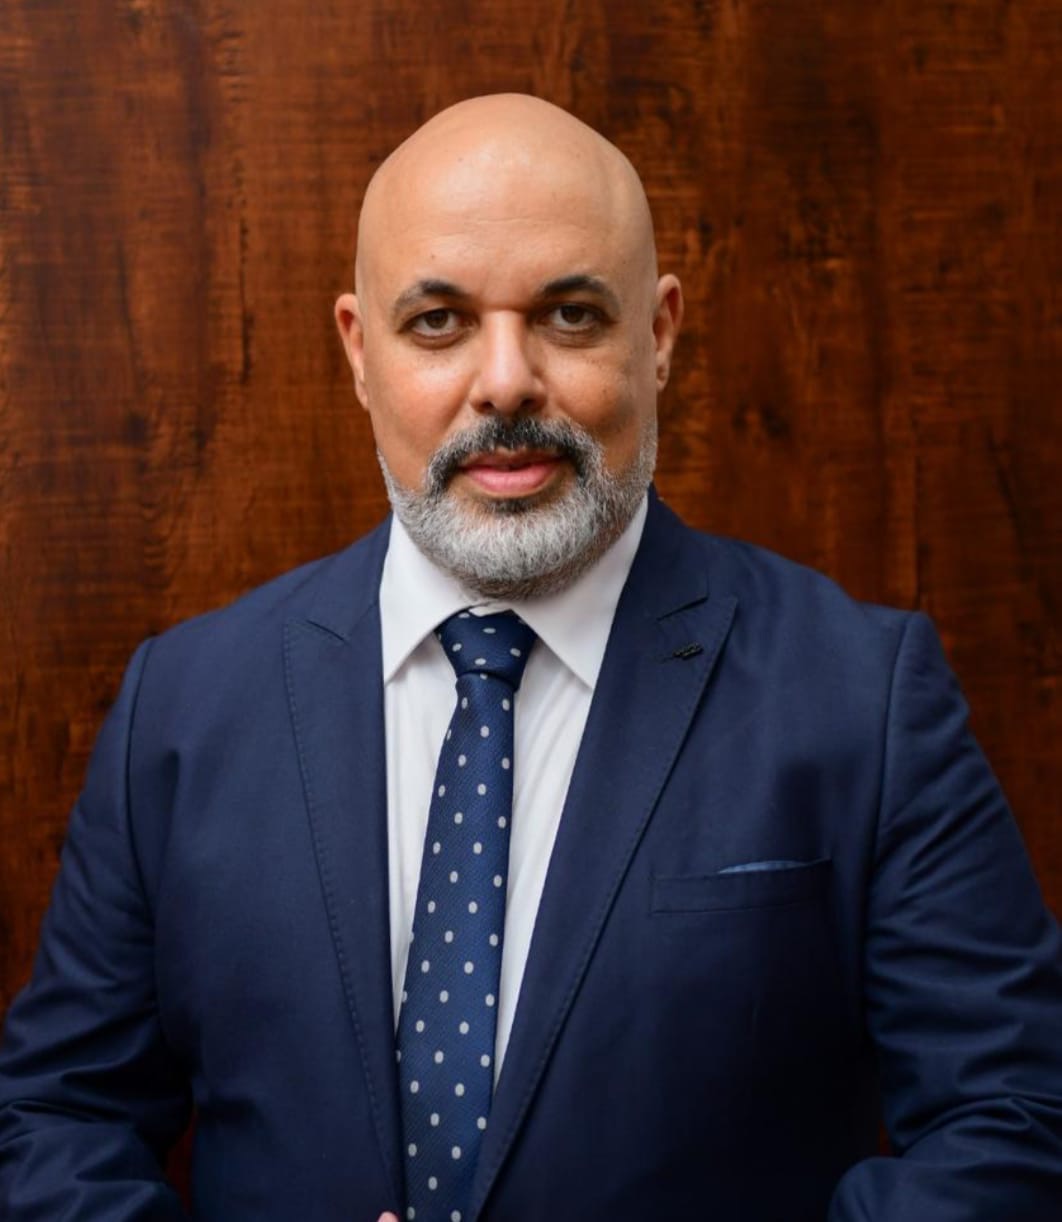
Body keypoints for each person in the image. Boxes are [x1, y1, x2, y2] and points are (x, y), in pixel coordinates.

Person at [1, 93, 1060, 1222]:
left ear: (658, 333)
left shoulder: (861, 695)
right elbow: (55, 1119)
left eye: (569, 314)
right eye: (439, 322)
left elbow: (1016, 1119)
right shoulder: (183, 706)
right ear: (358, 350)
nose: (505, 382)